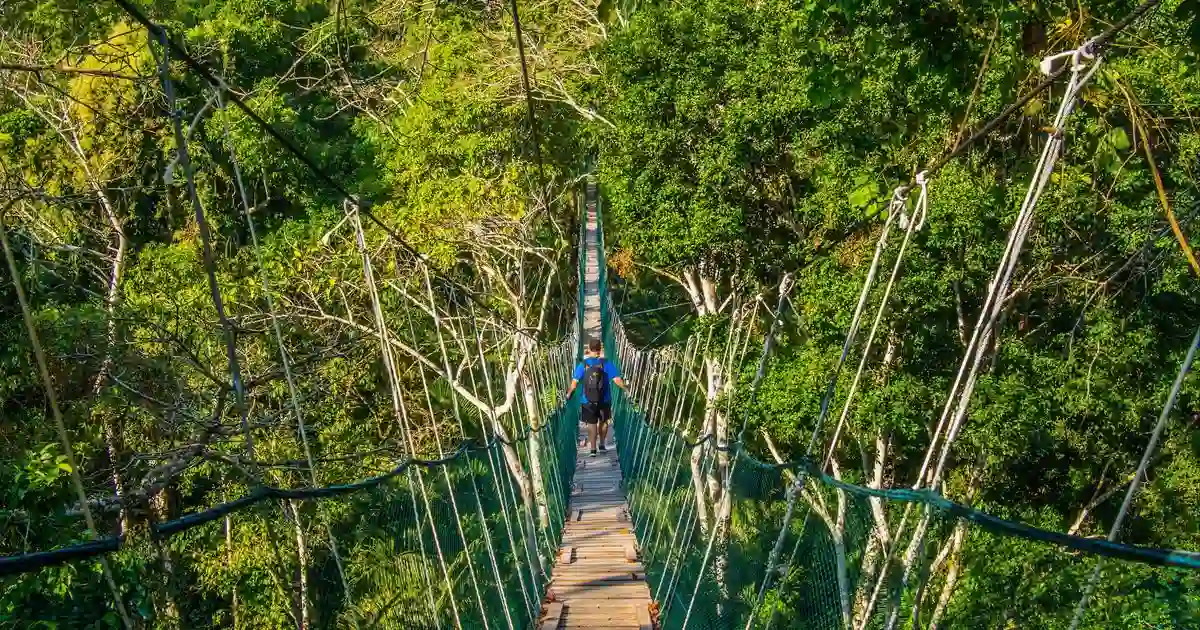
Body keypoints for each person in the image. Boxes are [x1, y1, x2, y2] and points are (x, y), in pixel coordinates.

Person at [565, 338, 627, 457]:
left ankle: (593, 449)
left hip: (587, 400)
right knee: (603, 422)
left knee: (591, 424)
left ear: (588, 349)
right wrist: (626, 388)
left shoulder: (583, 365)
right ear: (601, 349)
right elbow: (617, 380)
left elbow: (574, 383)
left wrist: (568, 394)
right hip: (605, 399)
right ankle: (602, 445)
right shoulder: (606, 363)